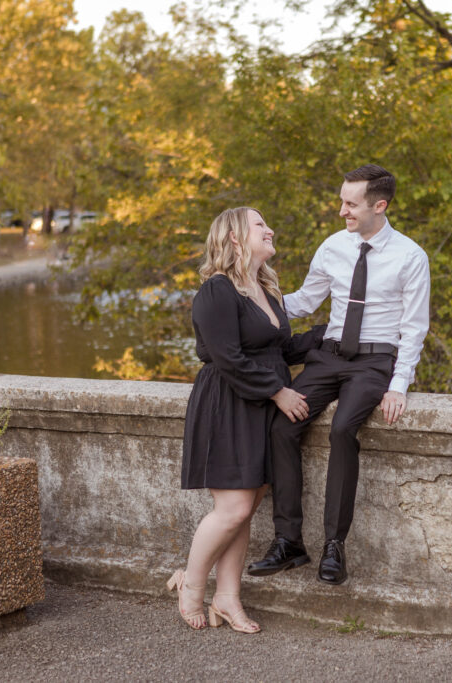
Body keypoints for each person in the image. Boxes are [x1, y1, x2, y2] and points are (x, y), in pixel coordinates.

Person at [248, 164, 431, 585]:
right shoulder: (333, 246)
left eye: (351, 204)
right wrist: (248, 297)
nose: (342, 211)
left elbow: (414, 326)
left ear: (379, 206)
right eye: (343, 201)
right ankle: (289, 542)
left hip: (373, 362)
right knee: (282, 426)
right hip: (328, 356)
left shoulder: (410, 257)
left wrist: (399, 384)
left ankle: (335, 546)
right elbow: (305, 302)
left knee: (343, 429)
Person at [168, 207, 325, 633]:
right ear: (235, 237)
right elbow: (227, 357)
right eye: (260, 225)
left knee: (245, 508)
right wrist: (278, 391)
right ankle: (192, 586)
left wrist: (335, 332)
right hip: (229, 403)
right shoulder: (217, 291)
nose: (270, 229)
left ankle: (228, 597)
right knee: (233, 507)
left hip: (259, 409)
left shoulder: (264, 291)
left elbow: (283, 350)